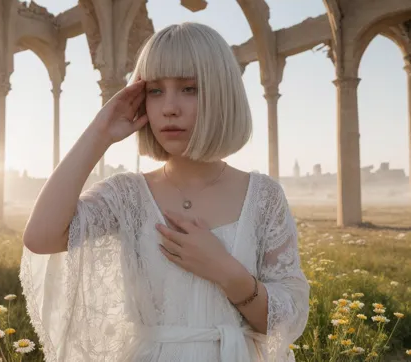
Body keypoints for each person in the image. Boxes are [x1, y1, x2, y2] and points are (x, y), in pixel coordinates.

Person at [20, 22, 310, 362]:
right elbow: (40, 237)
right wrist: (100, 132)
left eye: (189, 88)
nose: (169, 107)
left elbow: (287, 320)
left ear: (222, 94)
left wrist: (226, 272)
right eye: (155, 90)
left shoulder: (263, 197)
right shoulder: (127, 195)